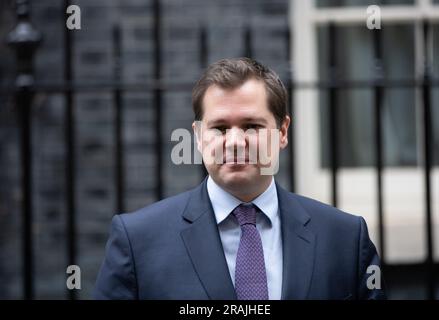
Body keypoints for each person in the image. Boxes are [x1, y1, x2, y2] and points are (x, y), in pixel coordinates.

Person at [93, 57, 385, 300]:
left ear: (282, 132)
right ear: (197, 136)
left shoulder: (345, 238)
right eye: (219, 127)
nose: (234, 141)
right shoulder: (138, 241)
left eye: (251, 126)